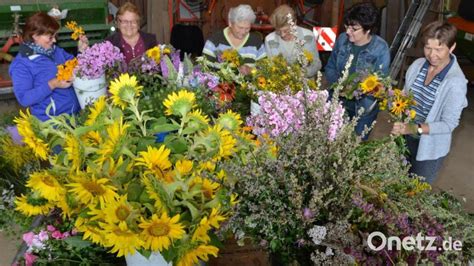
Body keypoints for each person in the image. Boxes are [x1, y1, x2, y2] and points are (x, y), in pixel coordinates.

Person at [391, 21, 467, 184]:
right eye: (428, 48)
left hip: (429, 147)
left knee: (415, 192)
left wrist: (413, 128)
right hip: (405, 137)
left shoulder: (455, 82)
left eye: (439, 49)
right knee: (395, 183)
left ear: (452, 47)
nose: (432, 55)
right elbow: (405, 95)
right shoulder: (418, 66)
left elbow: (448, 124)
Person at [324, 2, 390, 140]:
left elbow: (380, 84)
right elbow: (330, 67)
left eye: (354, 29)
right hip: (338, 101)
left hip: (364, 107)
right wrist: (339, 85)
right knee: (333, 141)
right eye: (347, 26)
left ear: (368, 29)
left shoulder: (380, 48)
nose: (348, 31)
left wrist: (357, 91)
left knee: (356, 144)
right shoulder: (342, 40)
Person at [9, 12, 86, 121]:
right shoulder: (21, 64)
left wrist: (82, 52)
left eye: (55, 36)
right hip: (53, 123)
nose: (54, 41)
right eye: (50, 37)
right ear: (35, 36)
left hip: (75, 115)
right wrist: (53, 84)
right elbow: (24, 98)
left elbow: (75, 64)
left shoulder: (54, 51)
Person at [202, 4, 266, 74]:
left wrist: (251, 70)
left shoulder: (256, 42)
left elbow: (265, 68)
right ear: (230, 23)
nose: (243, 32)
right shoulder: (215, 41)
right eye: (240, 27)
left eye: (247, 28)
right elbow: (204, 70)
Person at [265, 4, 321, 78]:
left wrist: (301, 75)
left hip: (305, 82)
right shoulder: (270, 40)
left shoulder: (307, 36)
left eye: (286, 31)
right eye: (278, 31)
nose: (282, 35)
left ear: (294, 23)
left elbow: (316, 64)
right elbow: (271, 67)